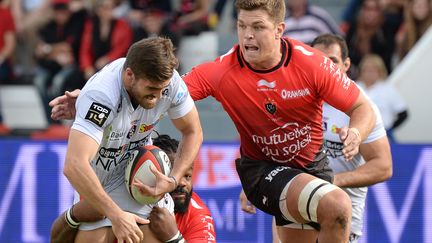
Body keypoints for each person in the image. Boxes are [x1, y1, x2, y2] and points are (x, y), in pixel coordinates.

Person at [49, 1, 376, 242]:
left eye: (257, 27)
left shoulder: (313, 64)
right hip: (261, 169)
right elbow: (155, 92)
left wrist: (356, 131)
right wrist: (93, 99)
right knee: (335, 203)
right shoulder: (221, 70)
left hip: (312, 168)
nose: (247, 35)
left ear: (279, 30)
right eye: (242, 26)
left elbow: (364, 108)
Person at [55, 37, 203, 243]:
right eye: (152, 89)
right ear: (129, 75)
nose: (159, 97)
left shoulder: (172, 84)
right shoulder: (101, 96)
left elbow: (193, 131)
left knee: (154, 234)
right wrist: (116, 216)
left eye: (163, 89)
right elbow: (74, 165)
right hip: (99, 180)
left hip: (137, 173)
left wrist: (172, 180)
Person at [258, 33, 393, 243]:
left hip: (339, 218)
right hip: (295, 208)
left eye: (332, 61)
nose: (325, 68)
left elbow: (383, 166)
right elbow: (276, 150)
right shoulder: (293, 99)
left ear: (347, 64)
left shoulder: (360, 108)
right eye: (319, 61)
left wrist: (331, 182)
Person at [50, 133, 215, 243]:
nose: (181, 183)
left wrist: (175, 238)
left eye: (187, 176)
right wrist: (73, 216)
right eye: (170, 175)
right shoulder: (106, 195)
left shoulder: (197, 215)